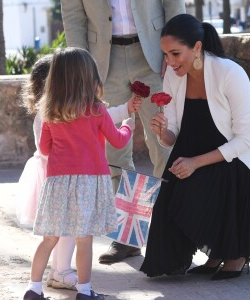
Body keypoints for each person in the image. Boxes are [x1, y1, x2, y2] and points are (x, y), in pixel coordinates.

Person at [140, 14, 250, 280]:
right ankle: (216, 251)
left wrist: (195, 163)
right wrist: (162, 132)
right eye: (165, 54)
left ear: (197, 47)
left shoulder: (230, 73)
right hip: (193, 148)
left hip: (240, 155)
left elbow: (245, 140)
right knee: (169, 201)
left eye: (175, 53)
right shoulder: (172, 74)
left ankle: (235, 252)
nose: (168, 62)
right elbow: (174, 136)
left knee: (217, 179)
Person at [61, 0, 186, 265]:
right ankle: (128, 237)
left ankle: (174, 231)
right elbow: (73, 16)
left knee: (165, 145)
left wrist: (175, 49)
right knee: (113, 154)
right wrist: (81, 66)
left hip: (153, 53)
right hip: (103, 62)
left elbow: (173, 3)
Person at [23, 47, 134, 300]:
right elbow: (117, 141)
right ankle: (84, 292)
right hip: (90, 181)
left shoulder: (50, 112)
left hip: (58, 183)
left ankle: (33, 288)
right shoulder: (97, 110)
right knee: (84, 240)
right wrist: (127, 127)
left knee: (49, 238)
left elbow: (44, 148)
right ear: (88, 78)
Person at [16, 54, 78, 291]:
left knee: (63, 227)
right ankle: (61, 270)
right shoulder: (49, 111)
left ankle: (59, 269)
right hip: (54, 174)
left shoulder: (50, 108)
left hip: (54, 172)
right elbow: (48, 146)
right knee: (66, 226)